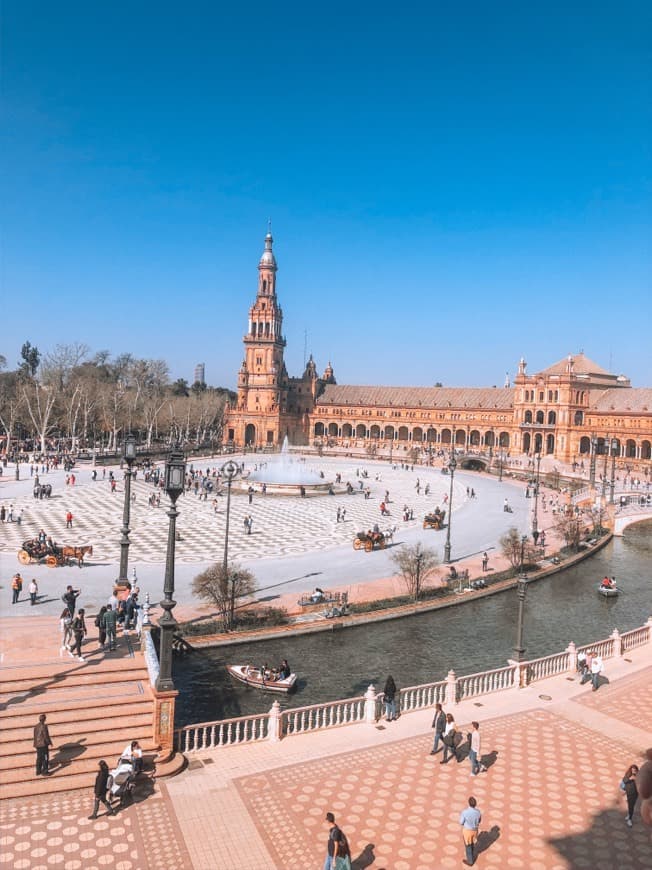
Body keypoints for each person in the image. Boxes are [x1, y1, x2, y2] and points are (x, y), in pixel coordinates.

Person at [459, 796, 482, 866]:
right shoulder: (478, 812)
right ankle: (472, 852)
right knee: (471, 843)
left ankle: (470, 861)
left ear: (469, 803)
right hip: (475, 830)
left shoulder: (465, 812)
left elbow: (461, 822)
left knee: (467, 845)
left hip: (467, 831)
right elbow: (479, 820)